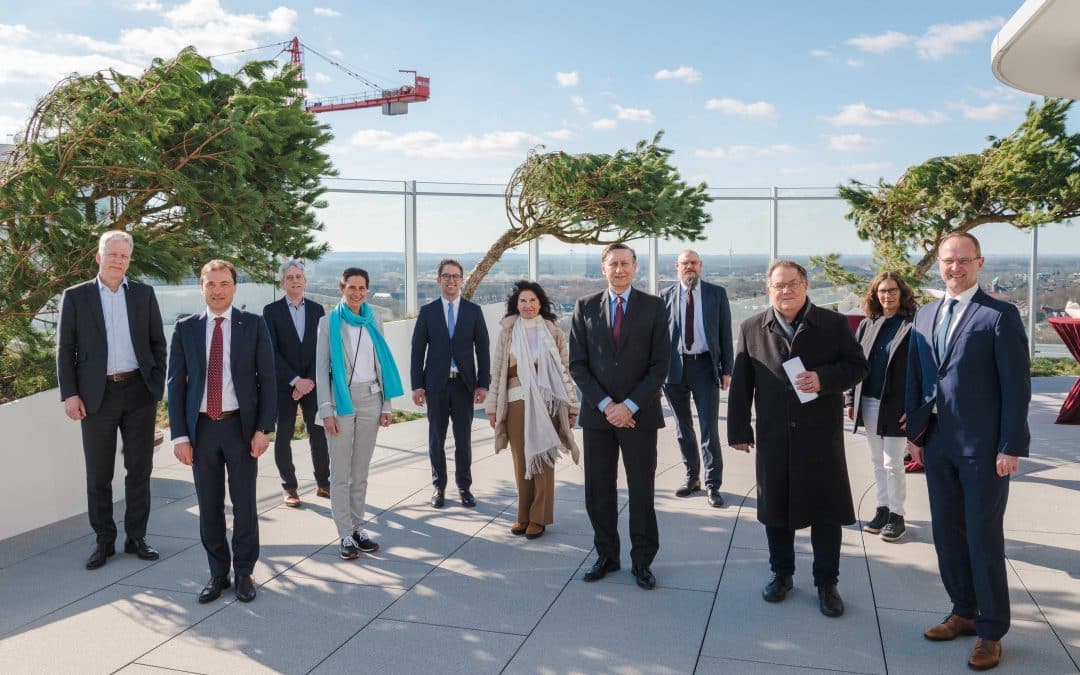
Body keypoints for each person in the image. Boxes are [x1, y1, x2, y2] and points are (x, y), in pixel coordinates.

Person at [906, 232, 1029, 671]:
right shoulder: (923, 314)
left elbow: (1017, 388)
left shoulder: (999, 315)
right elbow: (917, 379)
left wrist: (1011, 445)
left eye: (962, 260)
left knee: (983, 539)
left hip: (984, 450)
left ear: (980, 262)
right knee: (948, 536)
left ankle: (991, 631)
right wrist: (915, 436)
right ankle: (963, 610)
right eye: (946, 261)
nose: (953, 268)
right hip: (937, 445)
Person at [728, 260, 868, 617]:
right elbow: (742, 384)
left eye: (792, 284)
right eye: (779, 285)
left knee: (825, 513)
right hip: (775, 437)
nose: (785, 291)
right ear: (768, 289)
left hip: (820, 437)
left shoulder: (833, 325)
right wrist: (739, 429)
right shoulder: (751, 327)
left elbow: (858, 367)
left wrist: (824, 379)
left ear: (805, 285)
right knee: (777, 512)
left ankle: (827, 583)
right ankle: (782, 575)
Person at [56, 231, 167, 570]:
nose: (119, 260)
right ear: (98, 256)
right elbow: (65, 349)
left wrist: (155, 386)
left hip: (138, 393)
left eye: (124, 255)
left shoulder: (144, 295)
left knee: (139, 470)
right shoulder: (76, 297)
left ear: (129, 260)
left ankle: (137, 537)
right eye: (113, 254)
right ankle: (104, 541)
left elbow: (158, 344)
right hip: (95, 397)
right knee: (99, 474)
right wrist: (70, 394)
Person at [167, 260, 276, 604]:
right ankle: (218, 573)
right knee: (209, 506)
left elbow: (268, 381)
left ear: (234, 287)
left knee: (244, 505)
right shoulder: (185, 328)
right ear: (201, 286)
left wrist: (263, 429)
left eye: (224, 284)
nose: (217, 290)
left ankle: (244, 573)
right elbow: (176, 386)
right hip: (201, 431)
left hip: (240, 429)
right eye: (210, 284)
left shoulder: (254, 326)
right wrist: (180, 435)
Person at [570, 243, 670, 590]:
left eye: (625, 263)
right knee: (599, 490)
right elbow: (578, 365)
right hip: (599, 418)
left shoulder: (654, 307)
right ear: (603, 268)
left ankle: (642, 562)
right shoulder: (584, 307)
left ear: (635, 267)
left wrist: (629, 406)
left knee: (641, 490)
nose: (619, 269)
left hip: (639, 416)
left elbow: (660, 366)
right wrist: (607, 407)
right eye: (613, 264)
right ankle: (606, 556)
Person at [315, 267, 403, 559]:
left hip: (371, 399)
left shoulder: (374, 318)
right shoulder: (328, 323)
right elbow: (321, 369)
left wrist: (386, 405)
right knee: (340, 472)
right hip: (341, 402)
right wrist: (326, 410)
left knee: (360, 472)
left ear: (368, 290)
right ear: (342, 289)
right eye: (351, 287)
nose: (357, 293)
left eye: (362, 288)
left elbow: (382, 362)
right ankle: (344, 534)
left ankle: (357, 527)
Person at [486, 281, 581, 539]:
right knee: (521, 458)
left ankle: (539, 518)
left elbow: (564, 371)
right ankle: (523, 516)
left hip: (548, 403)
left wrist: (572, 407)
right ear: (516, 305)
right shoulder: (507, 332)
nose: (528, 306)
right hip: (515, 401)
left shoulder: (553, 332)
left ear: (541, 303)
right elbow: (497, 374)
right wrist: (493, 407)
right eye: (523, 301)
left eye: (532, 301)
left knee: (544, 457)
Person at [410, 259, 490, 509]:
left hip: (464, 385)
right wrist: (417, 385)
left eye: (456, 276)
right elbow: (417, 351)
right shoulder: (428, 312)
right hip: (435, 385)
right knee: (436, 438)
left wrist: (482, 384)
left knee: (463, 439)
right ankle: (438, 486)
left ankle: (464, 487)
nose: (451, 280)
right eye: (446, 276)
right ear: (438, 280)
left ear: (461, 279)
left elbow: (483, 350)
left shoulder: (473, 311)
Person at [845, 272, 916, 543]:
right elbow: (855, 364)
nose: (887, 295)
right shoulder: (867, 325)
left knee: (892, 462)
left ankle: (897, 515)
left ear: (902, 292)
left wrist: (915, 407)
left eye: (892, 290)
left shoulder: (913, 325)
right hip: (869, 401)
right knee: (877, 461)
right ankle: (883, 508)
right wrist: (851, 399)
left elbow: (921, 370)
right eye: (882, 291)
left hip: (897, 405)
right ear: (875, 295)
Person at [659, 249, 733, 507]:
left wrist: (727, 370)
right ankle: (692, 478)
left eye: (694, 263)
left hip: (705, 366)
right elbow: (658, 339)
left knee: (709, 428)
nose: (689, 266)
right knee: (682, 428)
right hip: (674, 369)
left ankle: (713, 484)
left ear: (700, 266)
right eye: (685, 263)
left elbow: (725, 333)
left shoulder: (716, 293)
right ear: (676, 266)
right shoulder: (665, 296)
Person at [263, 260, 330, 508]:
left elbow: (321, 349)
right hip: (284, 385)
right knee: (283, 436)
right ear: (282, 282)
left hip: (313, 383)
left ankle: (324, 483)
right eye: (289, 277)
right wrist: (295, 380)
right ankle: (289, 488)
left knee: (319, 434)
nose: (294, 280)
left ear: (305, 281)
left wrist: (309, 380)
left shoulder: (317, 309)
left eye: (298, 276)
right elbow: (271, 350)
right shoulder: (271, 312)